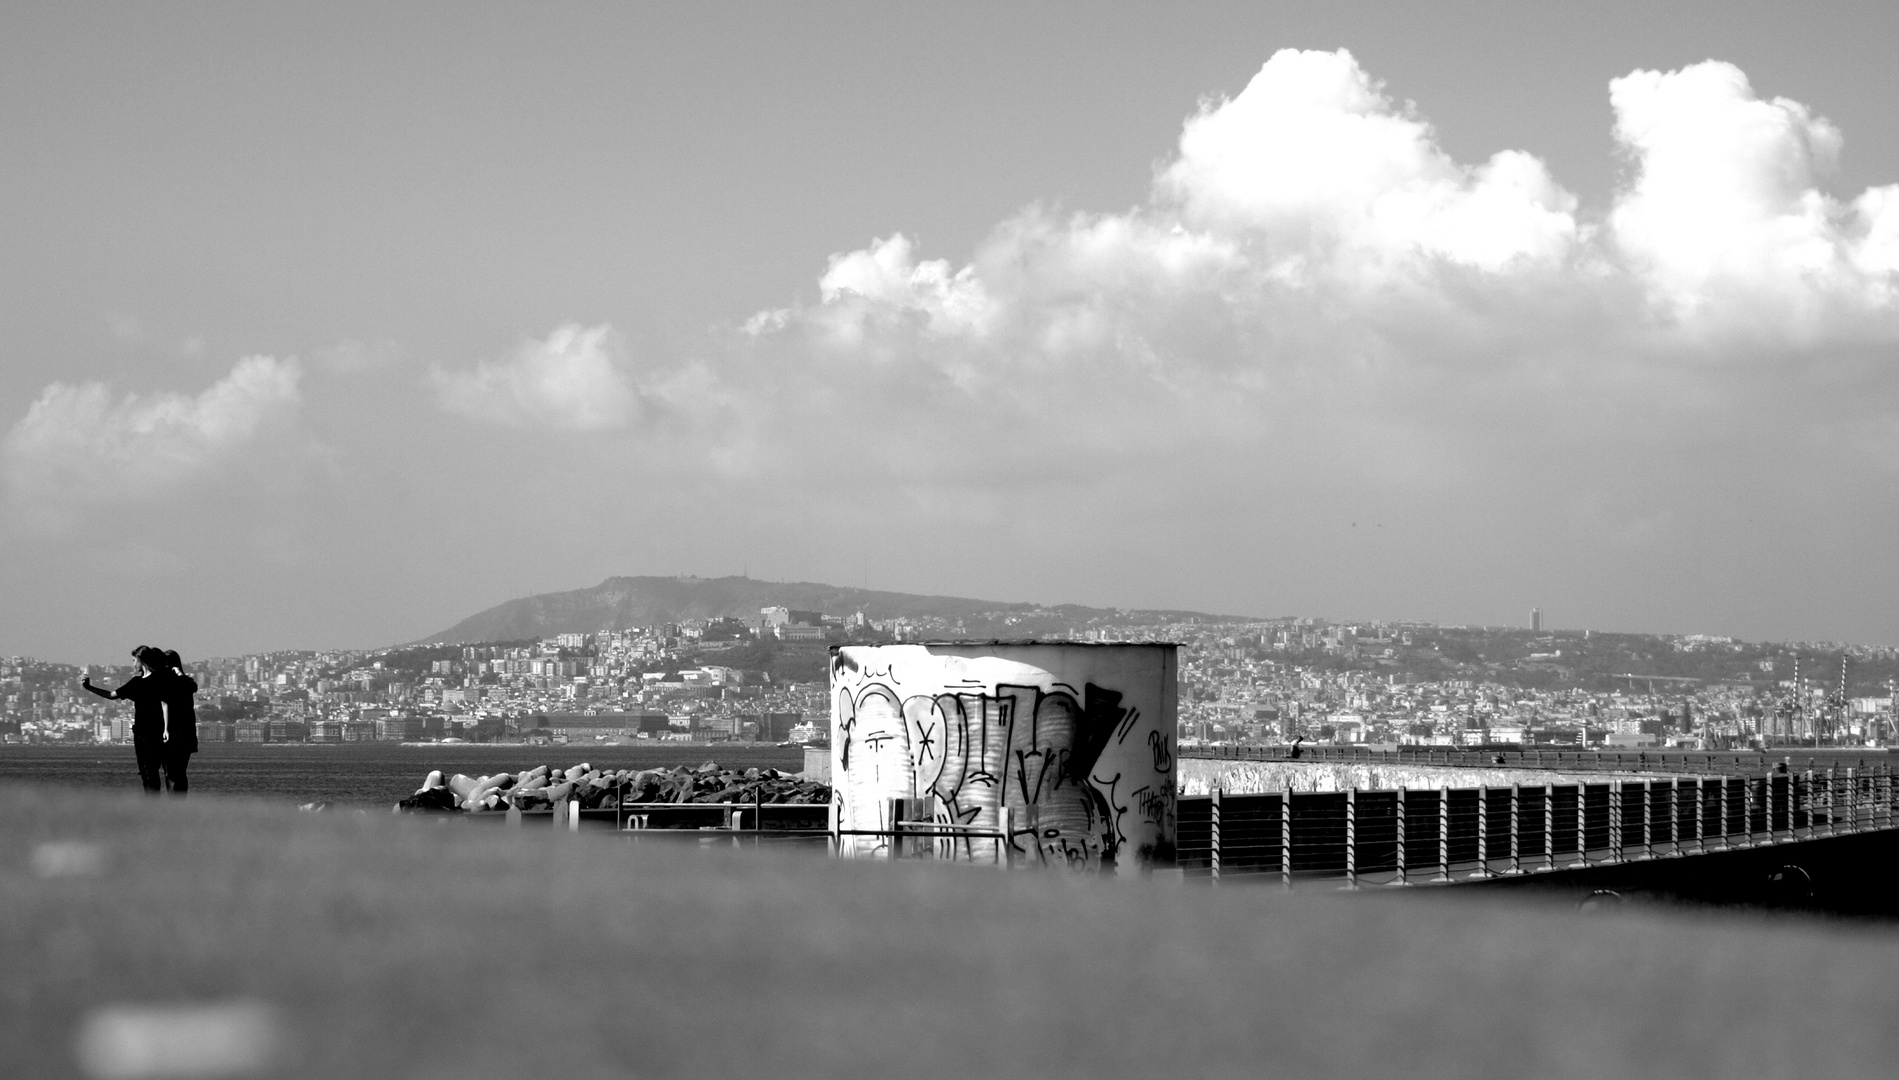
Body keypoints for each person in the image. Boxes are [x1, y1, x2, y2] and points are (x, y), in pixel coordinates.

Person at [82, 646, 170, 794]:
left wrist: (166, 728)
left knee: (149, 771)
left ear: (142, 661)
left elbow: (165, 703)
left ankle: (153, 805)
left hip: (150, 734)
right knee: (148, 771)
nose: (133, 664)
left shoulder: (154, 680)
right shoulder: (138, 682)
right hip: (144, 733)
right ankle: (153, 804)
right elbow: (112, 694)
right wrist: (89, 688)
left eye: (134, 660)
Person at [161, 650, 199, 795]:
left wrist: (179, 673)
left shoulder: (184, 682)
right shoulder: (165, 683)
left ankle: (177, 802)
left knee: (177, 772)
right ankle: (176, 802)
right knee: (172, 772)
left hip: (182, 732)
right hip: (174, 731)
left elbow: (192, 687)